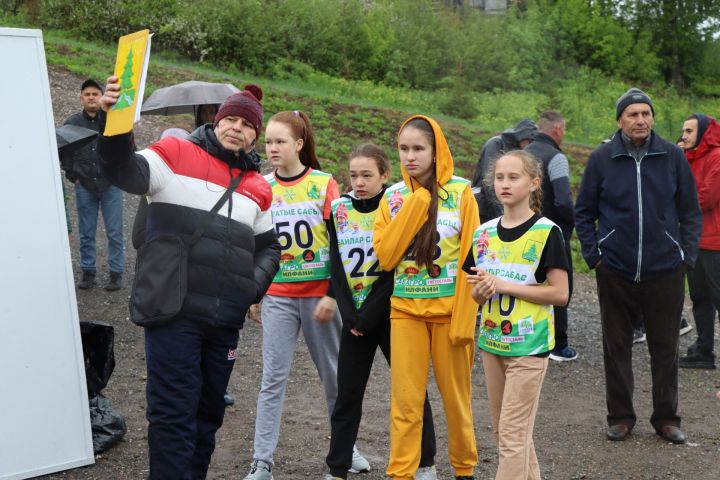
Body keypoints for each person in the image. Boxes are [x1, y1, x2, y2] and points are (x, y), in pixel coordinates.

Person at [97, 78, 280, 479]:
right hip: (174, 315)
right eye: (230, 118)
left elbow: (270, 247)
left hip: (224, 324)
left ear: (255, 135)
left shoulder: (258, 187)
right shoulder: (175, 153)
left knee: (208, 415)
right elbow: (123, 169)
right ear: (216, 121)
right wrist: (115, 124)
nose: (237, 127)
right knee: (173, 414)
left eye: (248, 125)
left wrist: (249, 289)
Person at [243, 111, 369, 480]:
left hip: (319, 297)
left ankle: (347, 449)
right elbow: (257, 244)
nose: (272, 148)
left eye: (280, 141)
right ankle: (262, 460)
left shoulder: (323, 183)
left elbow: (340, 244)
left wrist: (333, 293)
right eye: (268, 141)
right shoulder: (262, 185)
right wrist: (256, 294)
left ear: (299, 144)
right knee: (272, 378)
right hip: (278, 294)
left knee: (334, 377)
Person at [575, 87, 702, 444]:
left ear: (653, 119)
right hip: (615, 268)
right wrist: (595, 256)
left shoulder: (672, 157)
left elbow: (690, 211)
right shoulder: (602, 158)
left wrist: (685, 257)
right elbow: (584, 212)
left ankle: (666, 417)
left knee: (666, 346)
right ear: (620, 120)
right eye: (633, 114)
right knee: (616, 347)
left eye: (646, 114)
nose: (640, 120)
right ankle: (620, 417)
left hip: (666, 269)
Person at [320, 144, 437, 480]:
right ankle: (337, 468)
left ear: (385, 176)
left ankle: (425, 462)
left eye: (367, 175)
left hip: (391, 314)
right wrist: (350, 315)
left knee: (410, 391)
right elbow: (337, 266)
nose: (359, 181)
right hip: (354, 317)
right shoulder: (340, 208)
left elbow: (396, 268)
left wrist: (369, 315)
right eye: (354, 175)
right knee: (348, 394)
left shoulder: (398, 206)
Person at [374, 115, 479, 480]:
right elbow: (386, 257)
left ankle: (464, 470)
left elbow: (471, 259)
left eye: (418, 149)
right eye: (403, 149)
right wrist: (417, 201)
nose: (410, 157)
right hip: (406, 313)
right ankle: (400, 474)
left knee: (456, 402)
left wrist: (466, 320)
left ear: (436, 152)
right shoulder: (392, 198)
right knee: (406, 403)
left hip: (451, 315)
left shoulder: (463, 193)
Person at [467, 150, 569, 480]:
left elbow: (560, 294)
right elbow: (475, 292)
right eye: (499, 178)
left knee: (511, 435)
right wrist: (481, 292)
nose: (505, 184)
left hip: (529, 346)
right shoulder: (482, 234)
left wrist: (506, 285)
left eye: (514, 177)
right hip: (493, 343)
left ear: (533, 183)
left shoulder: (546, 232)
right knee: (508, 433)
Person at [61, 78, 125, 291]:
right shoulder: (72, 122)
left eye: (95, 94)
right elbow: (64, 151)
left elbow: (123, 147)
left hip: (111, 185)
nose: (91, 97)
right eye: (87, 94)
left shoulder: (112, 119)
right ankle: (88, 272)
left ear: (101, 97)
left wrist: (117, 174)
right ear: (81, 98)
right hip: (84, 185)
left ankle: (116, 273)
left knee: (114, 231)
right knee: (86, 232)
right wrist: (73, 176)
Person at [524, 111, 577, 362]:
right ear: (557, 129)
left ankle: (529, 336)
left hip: (522, 230)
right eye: (563, 130)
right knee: (560, 286)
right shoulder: (556, 158)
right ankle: (559, 345)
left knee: (529, 283)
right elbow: (564, 200)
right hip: (552, 231)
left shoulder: (522, 155)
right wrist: (571, 222)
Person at [678, 114, 720, 370]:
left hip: (715, 242)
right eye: (683, 130)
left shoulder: (717, 156)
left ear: (703, 133)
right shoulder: (686, 157)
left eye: (689, 131)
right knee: (699, 297)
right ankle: (704, 351)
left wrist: (681, 201)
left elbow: (707, 198)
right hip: (694, 240)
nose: (684, 135)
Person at [472, 118, 537, 222]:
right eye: (529, 141)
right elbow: (489, 180)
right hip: (483, 206)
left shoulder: (520, 151)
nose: (530, 145)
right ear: (523, 136)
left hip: (503, 207)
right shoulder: (496, 143)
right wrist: (502, 213)